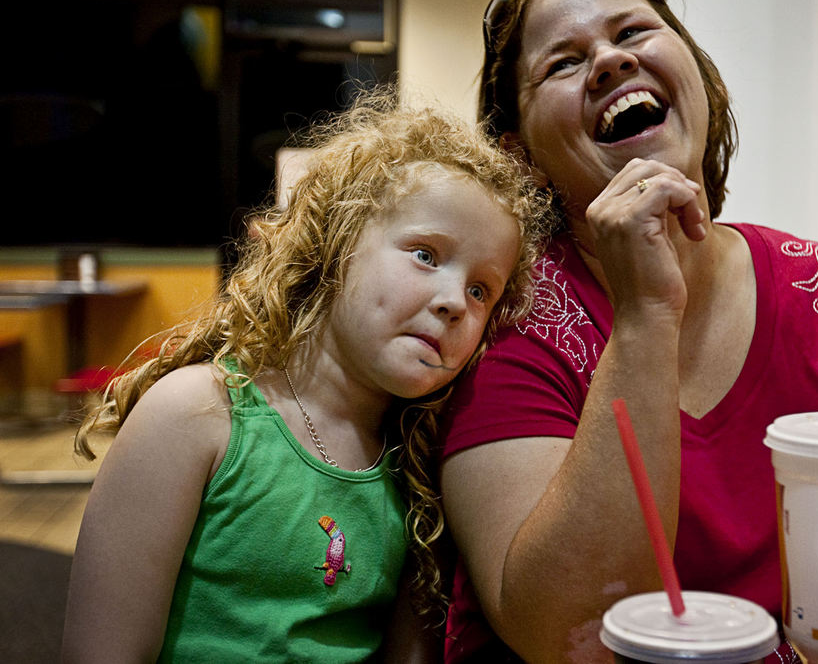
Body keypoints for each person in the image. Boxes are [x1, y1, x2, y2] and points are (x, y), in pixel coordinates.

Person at [437, 0, 818, 662]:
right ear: (521, 157)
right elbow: (563, 635)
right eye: (565, 63)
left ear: (695, 74)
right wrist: (643, 317)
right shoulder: (503, 319)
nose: (610, 60)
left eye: (632, 32)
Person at [61, 90, 550, 663]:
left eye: (480, 290)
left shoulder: (418, 472)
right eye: (425, 254)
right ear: (337, 243)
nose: (453, 302)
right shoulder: (195, 415)